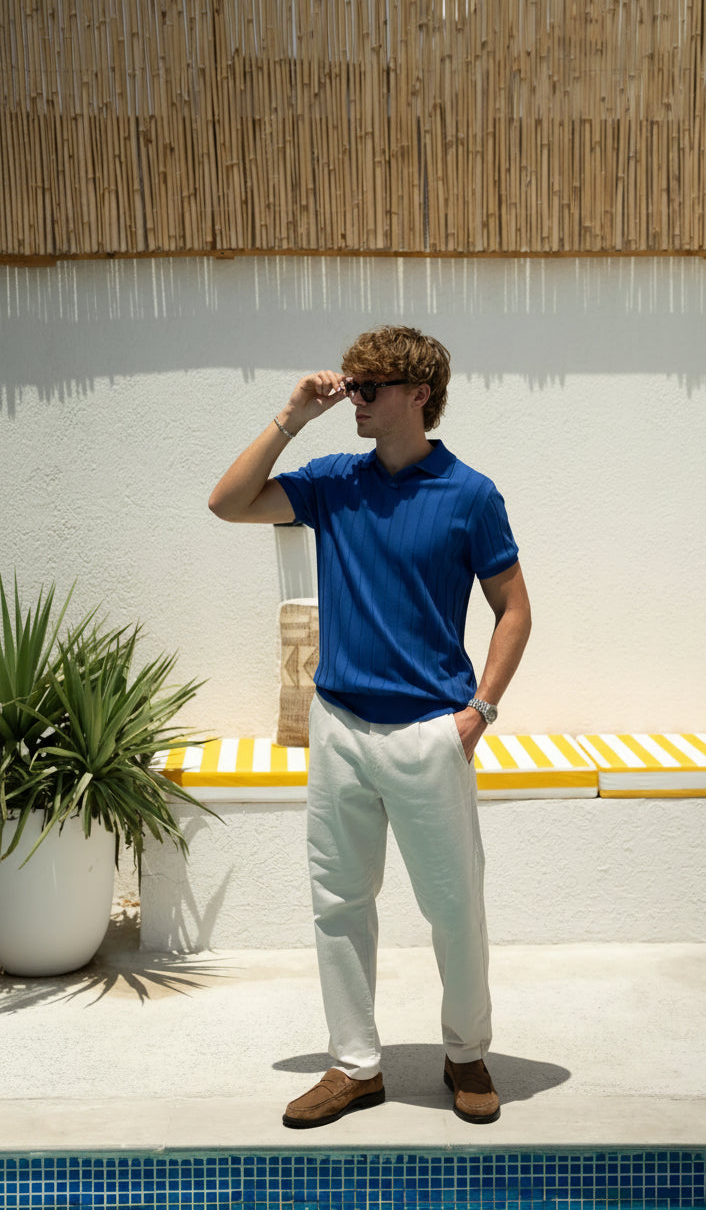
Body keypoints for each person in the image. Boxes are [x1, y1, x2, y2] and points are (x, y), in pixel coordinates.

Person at [209, 325, 531, 1128]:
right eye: (350, 385)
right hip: (340, 723)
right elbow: (227, 503)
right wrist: (292, 416)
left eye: (369, 388)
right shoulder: (332, 482)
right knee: (339, 903)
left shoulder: (470, 494)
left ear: (418, 394)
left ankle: (465, 1053)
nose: (353, 398)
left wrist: (479, 711)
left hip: (431, 729)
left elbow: (514, 611)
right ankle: (354, 1065)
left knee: (454, 907)